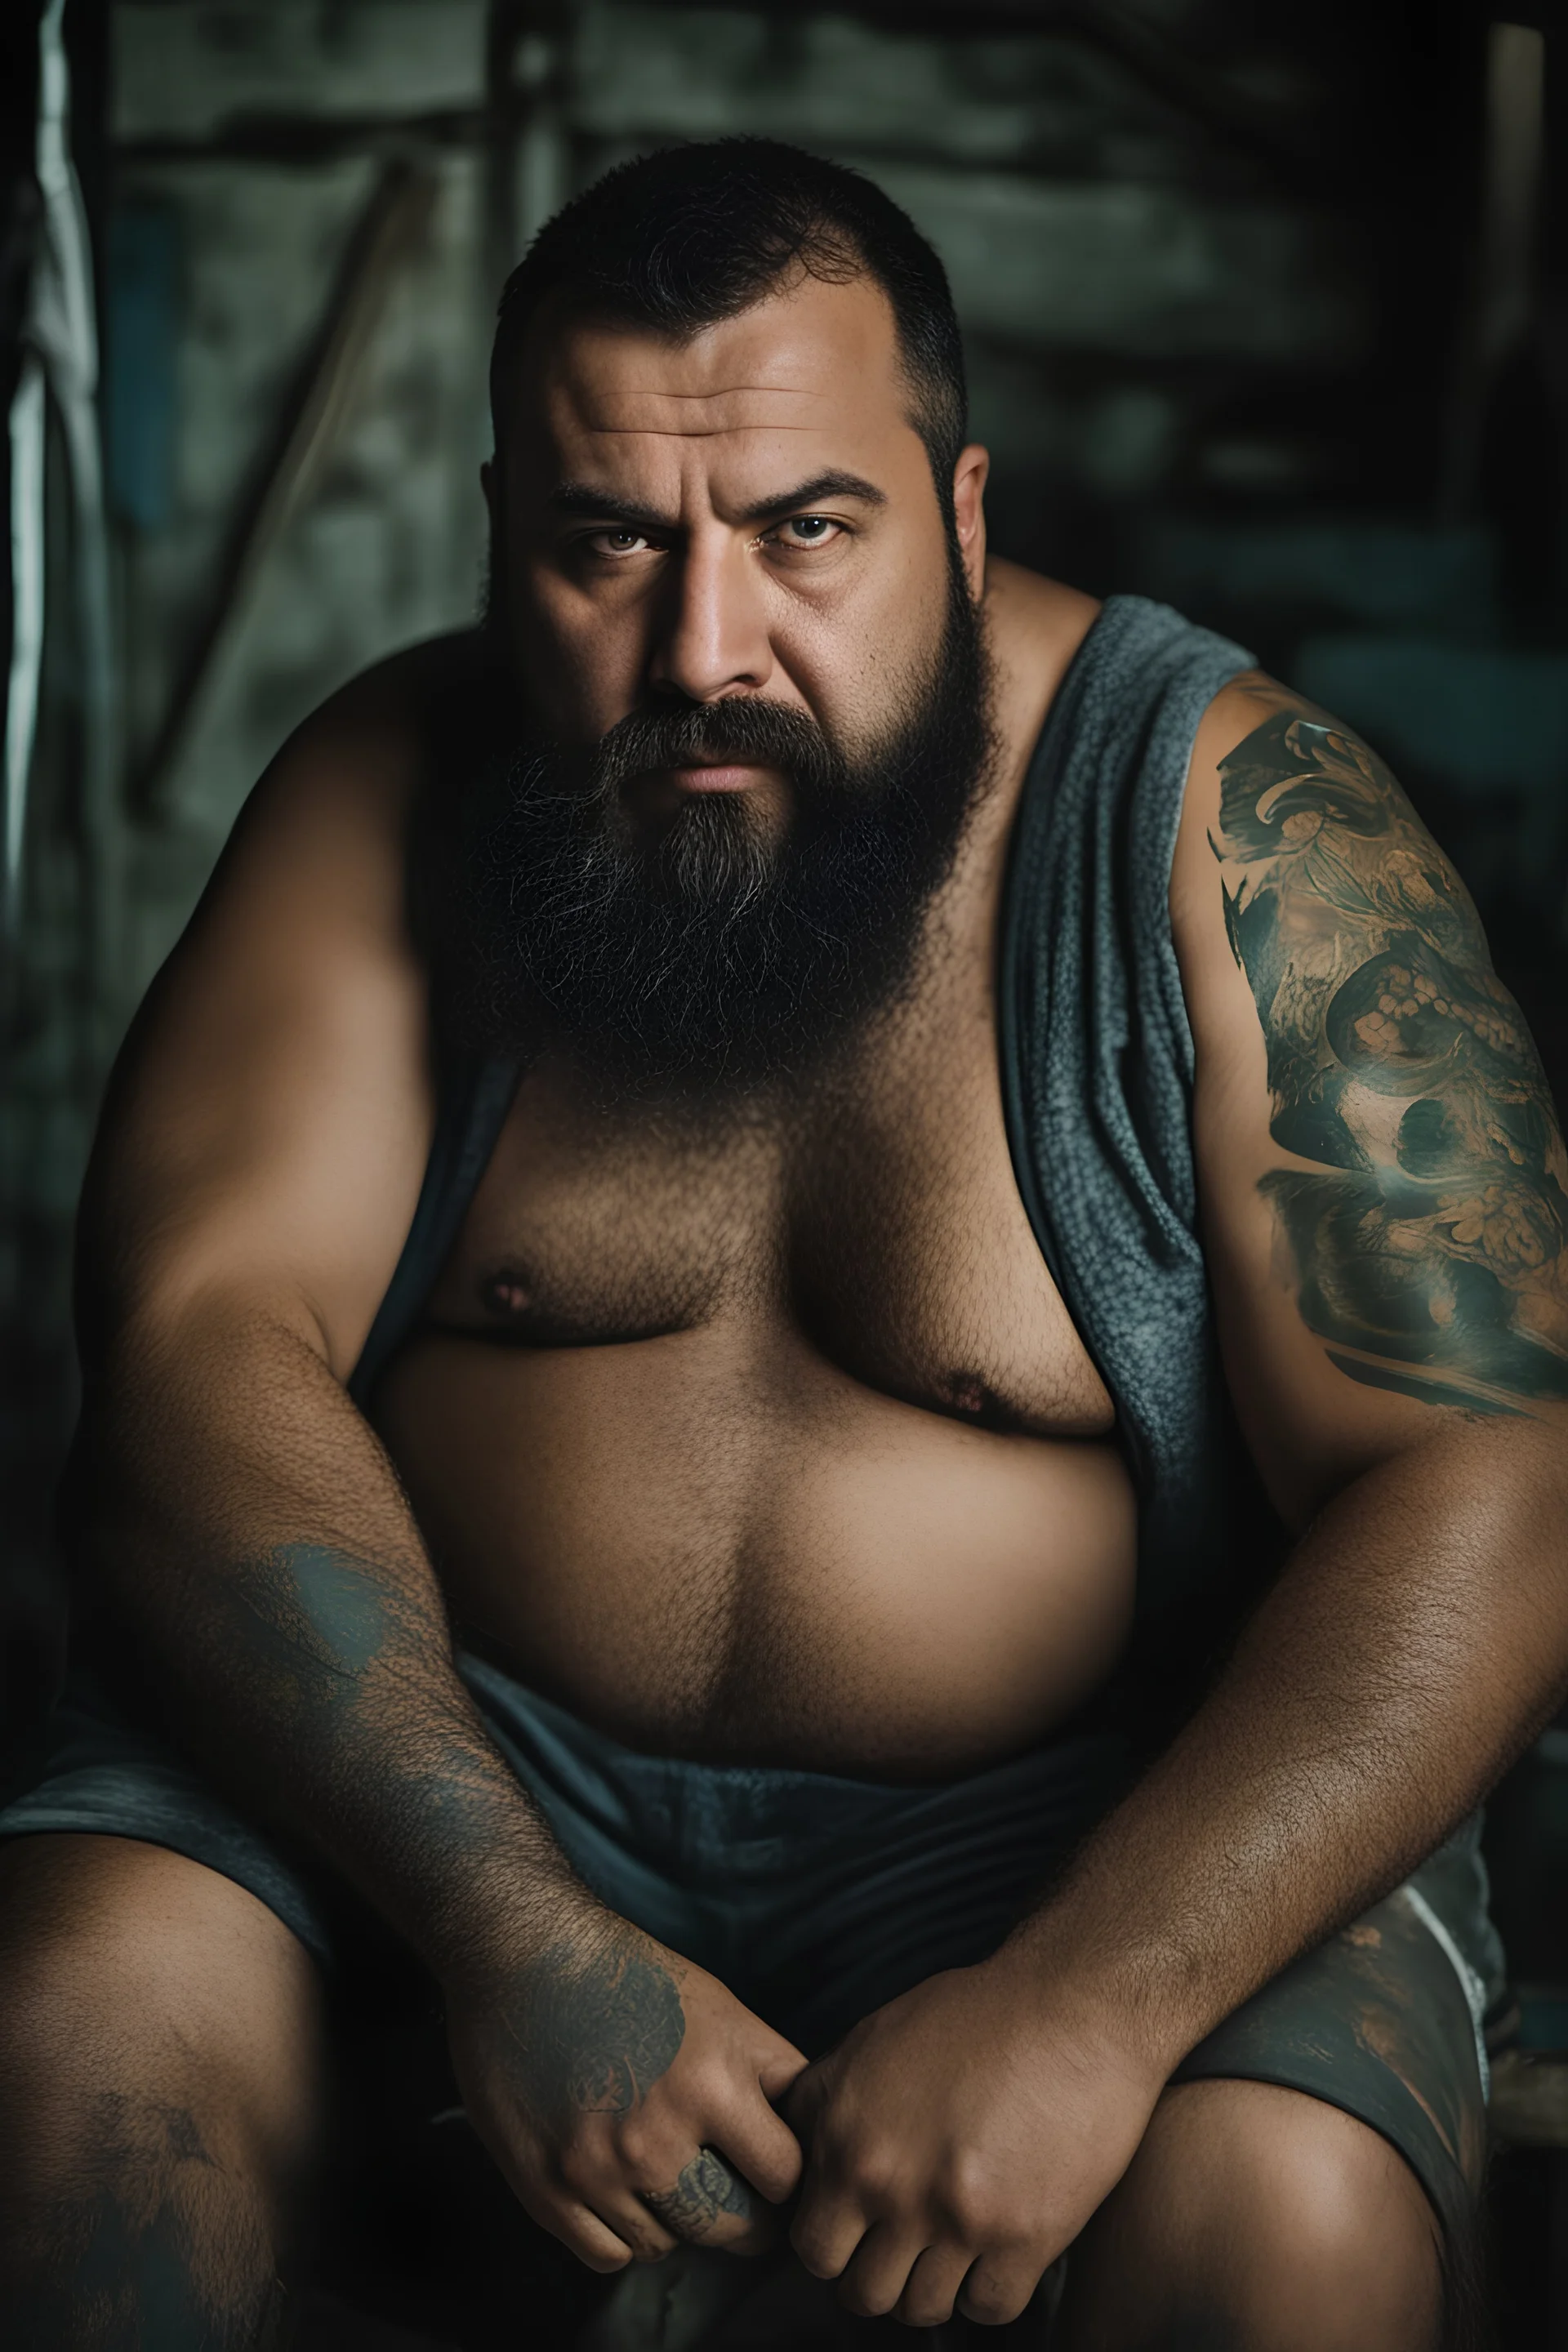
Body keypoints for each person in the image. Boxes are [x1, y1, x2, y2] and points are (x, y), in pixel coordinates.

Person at [1, 138, 1564, 2352]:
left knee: (1288, 2225)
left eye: (803, 532)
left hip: (1073, 1826)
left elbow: (1493, 1480)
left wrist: (1090, 2004)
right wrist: (502, 1922)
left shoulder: (1236, 829)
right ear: (500, 538)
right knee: (72, 2044)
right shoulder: (389, 794)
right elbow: (189, 1360)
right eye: (609, 544)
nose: (702, 648)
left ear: (960, 515)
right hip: (441, 1765)